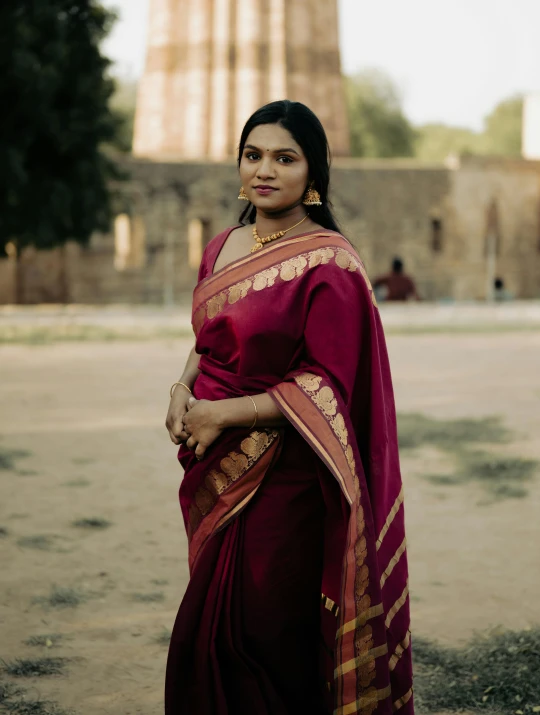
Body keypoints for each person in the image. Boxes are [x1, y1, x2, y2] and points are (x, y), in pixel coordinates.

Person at [164, 100, 413, 715]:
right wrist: (181, 389)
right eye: (253, 156)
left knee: (265, 635)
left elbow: (327, 386)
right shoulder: (222, 246)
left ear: (314, 174)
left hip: (285, 482)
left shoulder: (331, 263)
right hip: (213, 462)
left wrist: (224, 415)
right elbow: (208, 341)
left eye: (284, 158)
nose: (264, 171)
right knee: (206, 632)